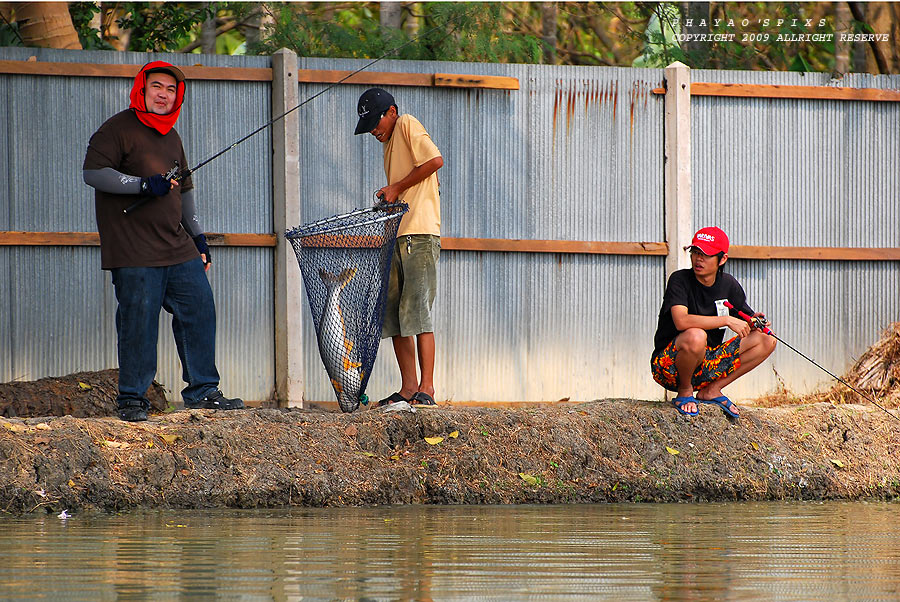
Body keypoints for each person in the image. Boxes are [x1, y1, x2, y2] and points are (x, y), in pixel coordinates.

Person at [83, 61, 243, 422]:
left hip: (177, 244)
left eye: (171, 90)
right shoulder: (117, 129)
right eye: (157, 87)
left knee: (200, 309)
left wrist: (198, 237)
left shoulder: (171, 134)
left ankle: (203, 391)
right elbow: (93, 173)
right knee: (138, 320)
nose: (164, 95)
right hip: (133, 248)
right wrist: (142, 185)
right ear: (142, 88)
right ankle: (132, 399)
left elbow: (184, 189)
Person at [354, 87, 444, 406]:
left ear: (391, 112)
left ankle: (427, 388)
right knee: (393, 314)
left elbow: (435, 160)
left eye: (376, 123)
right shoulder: (389, 141)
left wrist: (397, 187)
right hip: (397, 234)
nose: (374, 132)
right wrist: (390, 197)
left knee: (416, 310)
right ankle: (407, 390)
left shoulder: (406, 123)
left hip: (419, 234)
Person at [651, 227, 776, 419]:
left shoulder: (729, 285)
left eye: (706, 255)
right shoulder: (679, 280)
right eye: (696, 253)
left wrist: (753, 321)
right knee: (696, 335)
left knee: (767, 339)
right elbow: (681, 320)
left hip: (708, 363)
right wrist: (726, 320)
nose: (699, 259)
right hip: (669, 367)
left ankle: (712, 390)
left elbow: (744, 318)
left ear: (722, 259)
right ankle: (685, 391)